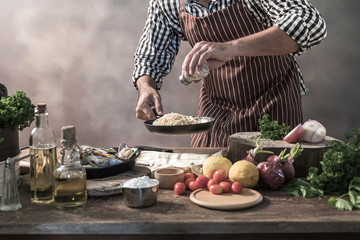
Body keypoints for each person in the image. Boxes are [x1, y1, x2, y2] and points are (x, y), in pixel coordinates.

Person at [132, 0, 327, 147]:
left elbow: (310, 22)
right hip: (216, 110)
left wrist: (230, 48)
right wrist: (146, 86)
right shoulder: (167, 3)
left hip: (274, 102)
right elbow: (150, 55)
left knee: (274, 185)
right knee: (206, 181)